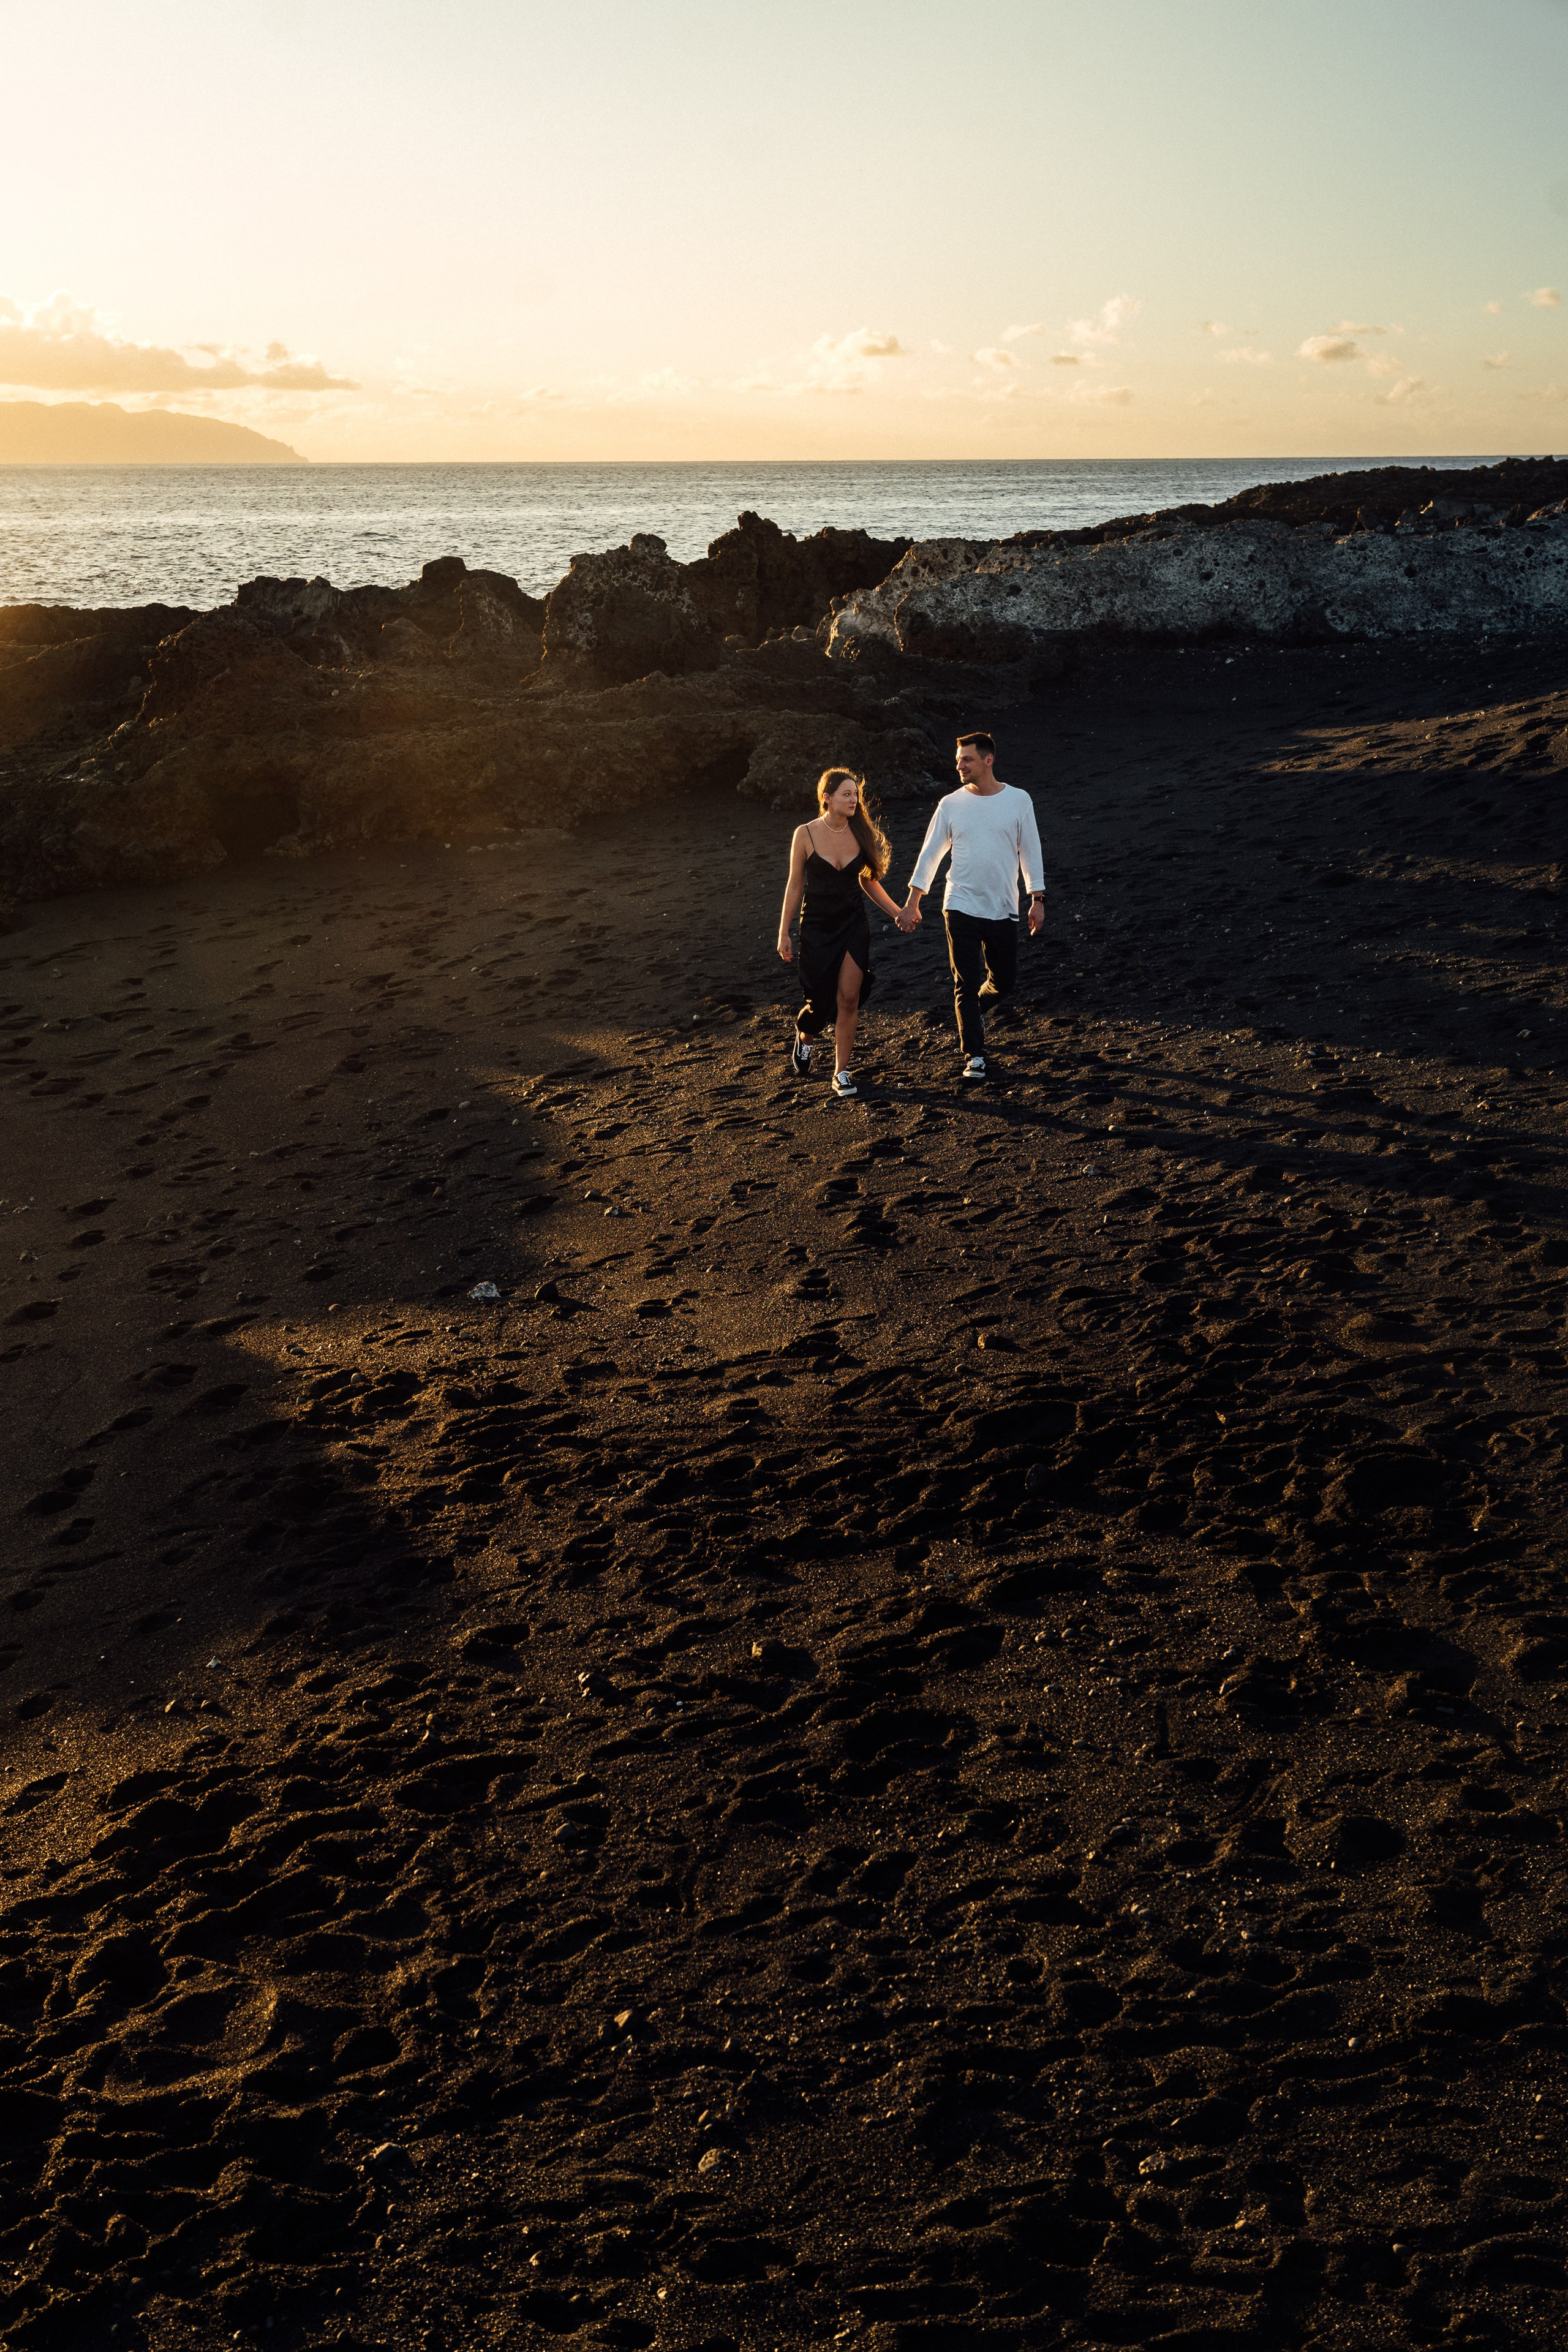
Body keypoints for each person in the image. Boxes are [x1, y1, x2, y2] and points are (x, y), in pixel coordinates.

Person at [897, 731, 1045, 1082]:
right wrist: (912, 903)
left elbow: (1032, 850)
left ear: (988, 760)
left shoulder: (1019, 800)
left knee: (1004, 981)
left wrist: (1037, 899)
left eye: (967, 759)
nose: (959, 765)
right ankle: (974, 1055)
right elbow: (930, 855)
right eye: (958, 760)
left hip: (1003, 906)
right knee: (965, 981)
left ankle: (976, 1012)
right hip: (959, 903)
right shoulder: (950, 804)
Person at [777, 767, 906, 1100]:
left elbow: (868, 880)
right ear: (827, 798)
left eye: (856, 794)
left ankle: (841, 1072)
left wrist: (899, 912)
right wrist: (784, 932)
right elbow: (795, 885)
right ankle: (805, 1035)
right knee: (819, 1001)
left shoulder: (861, 832)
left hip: (853, 924)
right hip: (817, 927)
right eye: (847, 794)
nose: (854, 800)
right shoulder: (804, 834)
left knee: (848, 998)